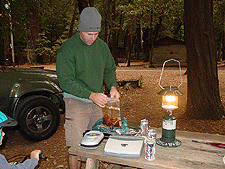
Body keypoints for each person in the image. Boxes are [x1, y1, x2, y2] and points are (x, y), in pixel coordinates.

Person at [56, 7, 120, 169]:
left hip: (98, 102)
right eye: (89, 34)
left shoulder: (102, 47)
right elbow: (66, 81)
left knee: (98, 140)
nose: (93, 38)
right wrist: (90, 95)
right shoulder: (68, 49)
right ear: (80, 30)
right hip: (76, 101)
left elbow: (109, 68)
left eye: (96, 34)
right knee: (76, 147)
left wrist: (112, 86)